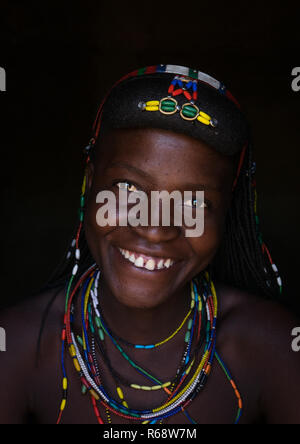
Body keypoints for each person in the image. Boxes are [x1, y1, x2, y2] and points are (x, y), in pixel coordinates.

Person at [1, 64, 300, 425]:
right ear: (91, 183)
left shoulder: (274, 348)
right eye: (129, 189)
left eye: (193, 203)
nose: (156, 228)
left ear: (225, 215)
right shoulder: (18, 346)